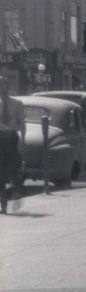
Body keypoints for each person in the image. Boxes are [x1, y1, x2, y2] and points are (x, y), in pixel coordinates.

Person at [0, 76, 24, 214]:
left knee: (13, 173)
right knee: (0, 174)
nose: (1, 89)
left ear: (8, 87)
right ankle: (3, 205)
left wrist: (23, 141)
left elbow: (22, 124)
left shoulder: (17, 103)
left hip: (11, 139)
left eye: (3, 86)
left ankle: (16, 198)